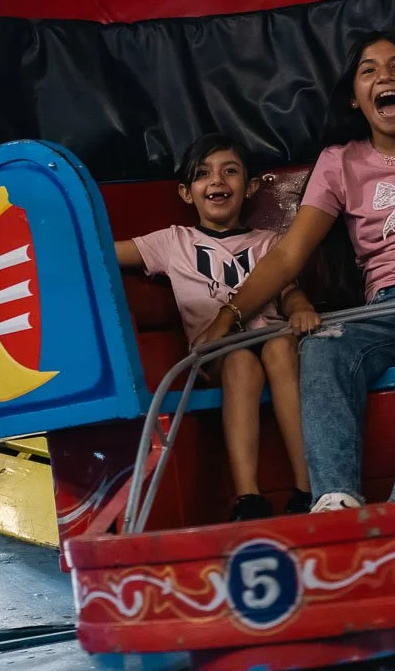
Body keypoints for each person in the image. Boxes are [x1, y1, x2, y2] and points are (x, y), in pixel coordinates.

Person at [193, 33, 395, 512]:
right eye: (369, 70)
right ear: (354, 97)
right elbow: (287, 256)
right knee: (322, 348)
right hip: (388, 304)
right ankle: (335, 498)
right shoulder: (339, 161)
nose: (385, 76)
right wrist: (228, 317)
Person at [116, 133, 319, 520]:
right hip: (218, 355)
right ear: (186, 192)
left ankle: (307, 490)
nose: (217, 181)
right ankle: (249, 498)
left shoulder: (270, 242)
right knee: (242, 361)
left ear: (252, 186)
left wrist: (301, 307)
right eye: (203, 174)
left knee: (279, 348)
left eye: (230, 172)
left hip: (274, 343)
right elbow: (104, 251)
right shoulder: (173, 241)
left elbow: (289, 291)